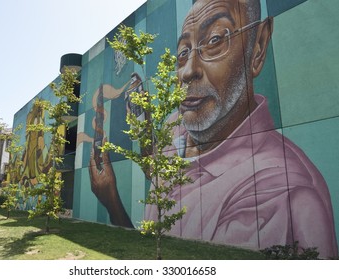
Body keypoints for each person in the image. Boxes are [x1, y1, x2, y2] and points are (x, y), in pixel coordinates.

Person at [90, 0, 338, 258]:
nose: (188, 71)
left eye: (215, 40)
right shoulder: (178, 127)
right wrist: (143, 142)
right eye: (183, 53)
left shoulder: (277, 201)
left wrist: (113, 203)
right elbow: (168, 183)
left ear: (259, 47)